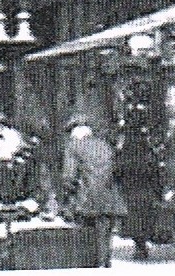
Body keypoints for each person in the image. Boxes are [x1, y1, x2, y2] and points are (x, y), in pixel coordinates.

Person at [58, 114, 128, 268]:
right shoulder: (104, 145)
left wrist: (65, 196)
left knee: (87, 240)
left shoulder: (74, 146)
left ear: (75, 131)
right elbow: (117, 171)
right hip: (109, 198)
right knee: (105, 238)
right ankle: (104, 264)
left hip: (86, 200)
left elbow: (69, 176)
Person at [114, 130, 161, 260]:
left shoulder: (124, 153)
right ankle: (142, 242)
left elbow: (117, 171)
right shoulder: (147, 152)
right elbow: (155, 172)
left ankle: (139, 243)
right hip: (144, 190)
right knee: (144, 217)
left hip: (130, 190)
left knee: (133, 219)